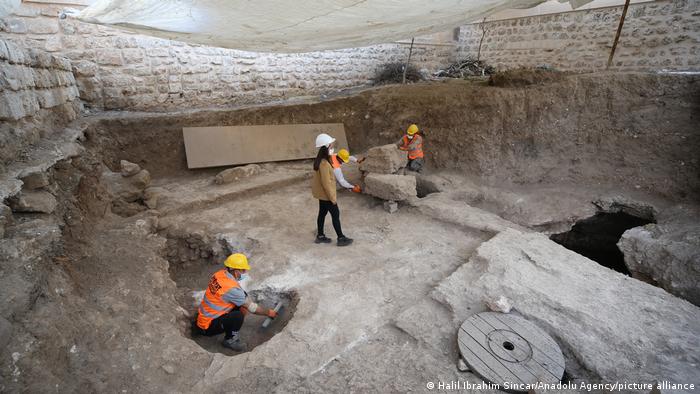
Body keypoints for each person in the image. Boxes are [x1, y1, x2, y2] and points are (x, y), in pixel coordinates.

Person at [194, 253, 278, 351]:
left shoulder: (219, 274)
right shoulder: (231, 289)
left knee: (243, 299)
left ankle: (231, 325)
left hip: (205, 316)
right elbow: (253, 308)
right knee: (238, 316)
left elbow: (238, 294)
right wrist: (269, 312)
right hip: (207, 327)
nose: (245, 272)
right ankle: (230, 340)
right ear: (235, 270)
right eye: (242, 270)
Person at [312, 133, 353, 247]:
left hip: (322, 195)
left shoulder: (321, 160)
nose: (332, 147)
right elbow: (326, 183)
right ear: (326, 146)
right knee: (335, 214)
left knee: (322, 213)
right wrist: (332, 198)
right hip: (327, 195)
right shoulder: (324, 164)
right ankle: (341, 238)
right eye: (331, 145)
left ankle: (320, 236)